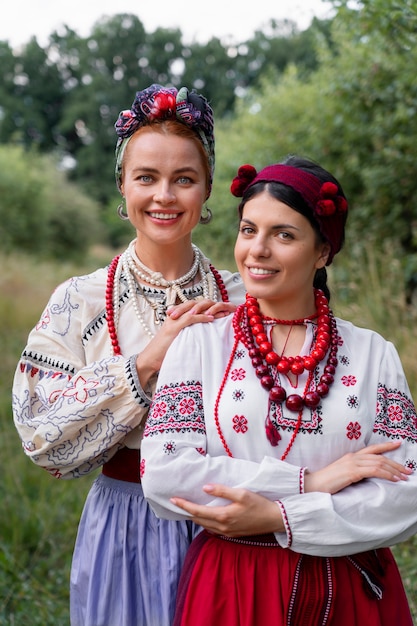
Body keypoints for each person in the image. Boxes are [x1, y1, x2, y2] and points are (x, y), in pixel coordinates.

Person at [141, 156, 417, 626]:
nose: (257, 250)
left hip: (349, 587)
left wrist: (280, 519)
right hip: (233, 586)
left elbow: (406, 491)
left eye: (284, 235)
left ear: (323, 252)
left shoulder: (373, 354)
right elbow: (165, 475)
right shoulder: (202, 343)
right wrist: (311, 483)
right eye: (249, 230)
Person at [11, 83, 244, 626]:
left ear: (206, 189)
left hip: (226, 523)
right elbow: (40, 434)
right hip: (124, 524)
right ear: (122, 184)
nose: (164, 195)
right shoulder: (79, 300)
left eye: (184, 179)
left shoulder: (240, 298)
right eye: (146, 177)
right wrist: (145, 363)